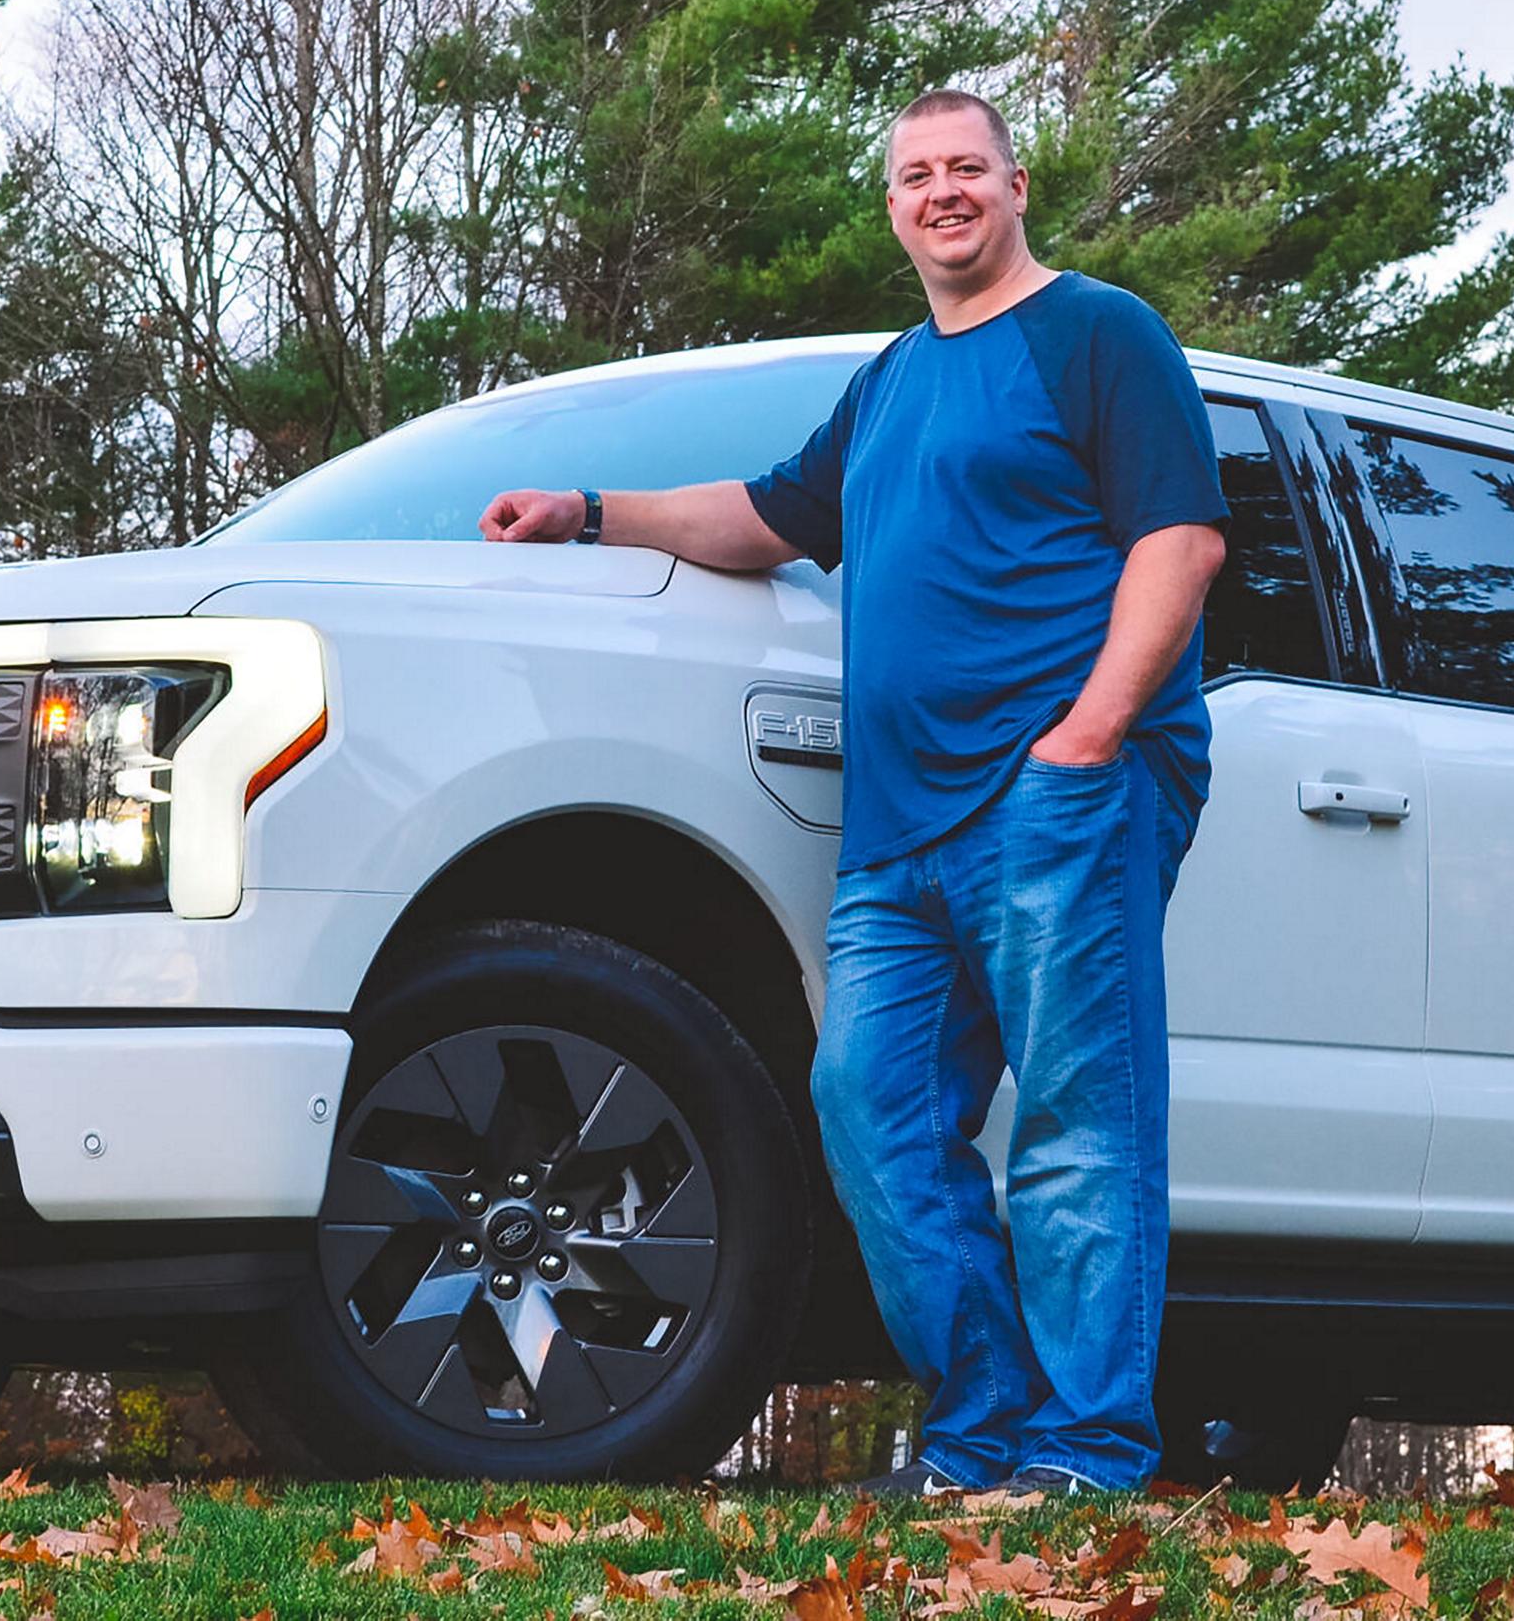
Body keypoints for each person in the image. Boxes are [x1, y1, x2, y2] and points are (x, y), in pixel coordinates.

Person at [477, 88, 1227, 1495]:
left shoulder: (1097, 334)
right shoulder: (891, 381)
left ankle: (1086, 1452)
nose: (941, 193)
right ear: (892, 207)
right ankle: (982, 1435)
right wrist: (587, 511)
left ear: (1017, 184)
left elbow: (1179, 545)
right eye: (913, 176)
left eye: (966, 169)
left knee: (1080, 1121)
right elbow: (764, 518)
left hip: (1050, 793)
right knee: (868, 1110)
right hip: (897, 829)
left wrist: (1089, 738)